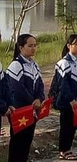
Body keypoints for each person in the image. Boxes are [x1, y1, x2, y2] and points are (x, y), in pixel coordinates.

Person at [6, 34, 45, 162]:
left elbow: (40, 84)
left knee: (27, 141)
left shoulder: (34, 65)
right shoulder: (16, 65)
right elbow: (18, 90)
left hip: (32, 110)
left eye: (35, 45)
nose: (33, 48)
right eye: (30, 46)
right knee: (18, 142)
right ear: (21, 47)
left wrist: (39, 98)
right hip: (20, 110)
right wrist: (32, 102)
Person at [53, 34, 77, 160]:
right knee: (66, 125)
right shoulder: (64, 63)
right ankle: (63, 151)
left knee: (73, 126)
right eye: (76, 44)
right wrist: (70, 99)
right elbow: (63, 84)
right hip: (67, 102)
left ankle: (68, 149)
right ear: (69, 46)